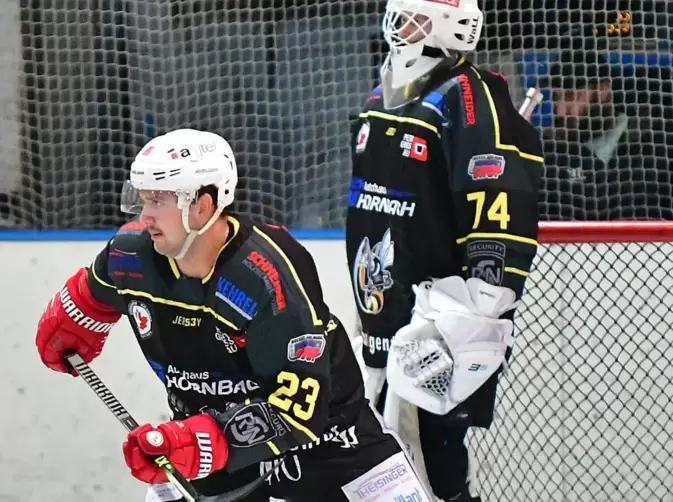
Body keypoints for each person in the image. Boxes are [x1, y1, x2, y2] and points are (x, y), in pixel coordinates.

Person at [35, 128, 434, 502]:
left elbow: (302, 410)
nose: (146, 216)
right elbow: (95, 293)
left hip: (329, 447)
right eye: (143, 199)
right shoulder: (129, 256)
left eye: (158, 200)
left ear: (203, 205)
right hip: (213, 448)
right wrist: (78, 314)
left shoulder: (266, 272)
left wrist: (196, 443)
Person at [345, 1, 543, 501]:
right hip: (384, 308)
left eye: (410, 17)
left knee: (436, 458)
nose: (398, 28)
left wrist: (482, 303)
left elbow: (499, 198)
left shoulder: (467, 97)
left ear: (444, 26)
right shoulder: (384, 94)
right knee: (385, 460)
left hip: (437, 314)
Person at [542, 49, 673, 220]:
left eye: (570, 96)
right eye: (555, 98)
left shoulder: (657, 148)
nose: (560, 111)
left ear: (603, 90)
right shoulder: (550, 158)